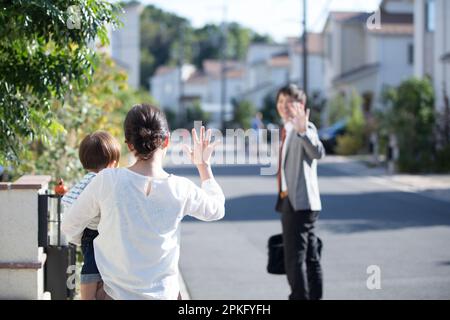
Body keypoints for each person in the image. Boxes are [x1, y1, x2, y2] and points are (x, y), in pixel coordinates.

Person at [62, 103, 225, 300]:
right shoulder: (181, 188)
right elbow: (216, 209)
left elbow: (69, 227)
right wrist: (203, 165)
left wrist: (100, 243)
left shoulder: (106, 180)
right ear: (166, 141)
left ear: (129, 145)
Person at [275, 84, 325, 300]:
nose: (283, 106)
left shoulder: (304, 128)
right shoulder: (287, 129)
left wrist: (304, 131)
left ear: (301, 105)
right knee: (311, 257)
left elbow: (317, 152)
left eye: (289, 102)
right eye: (280, 102)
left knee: (294, 259)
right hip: (295, 201)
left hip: (300, 203)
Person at [61, 131, 121, 300]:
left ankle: (87, 296)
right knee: (97, 268)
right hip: (99, 232)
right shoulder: (105, 181)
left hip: (87, 233)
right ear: (113, 162)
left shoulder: (84, 181)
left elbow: (68, 202)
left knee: (90, 265)